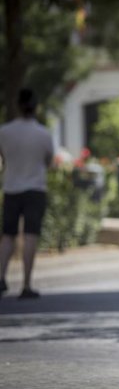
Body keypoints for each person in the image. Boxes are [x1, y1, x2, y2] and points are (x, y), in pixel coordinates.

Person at [0, 89, 54, 299]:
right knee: (30, 236)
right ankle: (26, 284)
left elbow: (3, 157)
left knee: (7, 236)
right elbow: (49, 161)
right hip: (35, 189)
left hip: (11, 188)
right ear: (36, 107)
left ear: (18, 105)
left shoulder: (4, 131)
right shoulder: (43, 134)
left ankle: (1, 278)